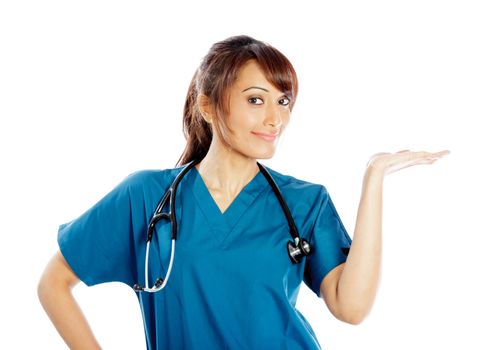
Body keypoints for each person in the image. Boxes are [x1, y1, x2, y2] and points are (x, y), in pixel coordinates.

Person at [37, 34, 450, 349]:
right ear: (208, 107)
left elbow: (351, 307)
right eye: (256, 100)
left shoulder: (305, 202)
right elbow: (54, 283)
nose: (276, 119)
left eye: (284, 101)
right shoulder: (147, 196)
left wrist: (373, 178)